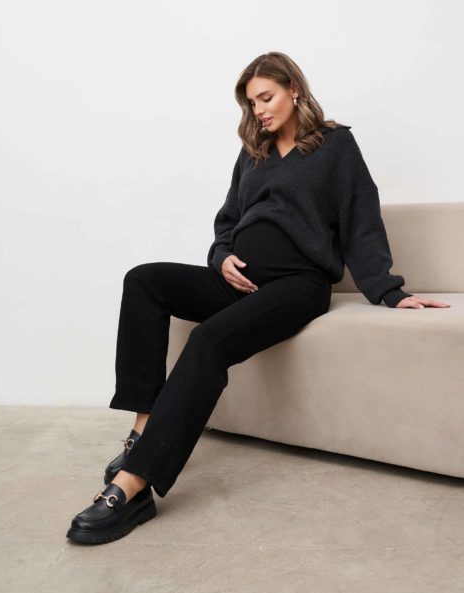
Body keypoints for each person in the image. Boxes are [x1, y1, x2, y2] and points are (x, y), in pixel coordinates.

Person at [66, 51, 451, 545]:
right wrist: (221, 257)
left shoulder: (335, 145)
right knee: (143, 280)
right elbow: (227, 221)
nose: (259, 110)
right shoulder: (254, 151)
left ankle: (135, 485)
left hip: (297, 284)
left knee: (208, 341)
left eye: (266, 98)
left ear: (294, 89)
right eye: (251, 103)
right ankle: (143, 430)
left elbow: (361, 219)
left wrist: (391, 292)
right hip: (237, 281)